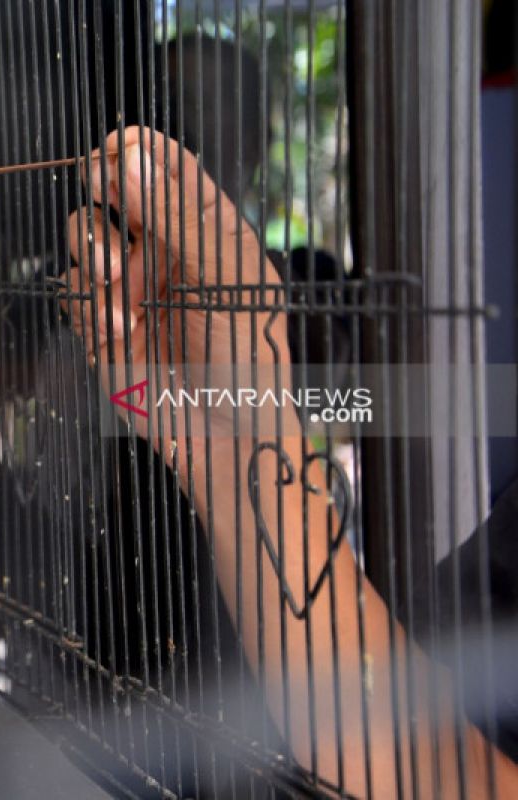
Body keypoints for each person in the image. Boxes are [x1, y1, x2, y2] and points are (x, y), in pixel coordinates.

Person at [63, 125, 518, 798]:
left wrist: (247, 432)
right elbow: (394, 704)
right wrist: (235, 435)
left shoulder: (320, 280)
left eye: (219, 118)